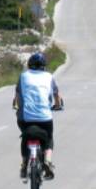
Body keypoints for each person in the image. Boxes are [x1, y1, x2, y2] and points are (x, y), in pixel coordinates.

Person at [13, 52, 61, 180]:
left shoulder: (23, 76)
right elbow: (56, 95)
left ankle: (24, 164)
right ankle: (48, 161)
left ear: (29, 65)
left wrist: (18, 107)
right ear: (44, 66)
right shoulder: (49, 77)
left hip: (25, 118)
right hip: (45, 118)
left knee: (25, 136)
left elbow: (17, 97)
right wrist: (57, 105)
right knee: (49, 138)